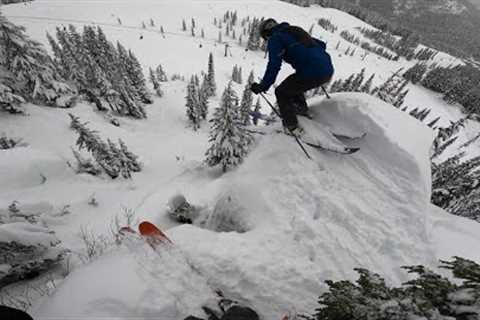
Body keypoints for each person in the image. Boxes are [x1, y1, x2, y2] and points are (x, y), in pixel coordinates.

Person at [250, 18, 334, 136]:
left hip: (313, 71)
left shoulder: (275, 38)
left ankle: (292, 127)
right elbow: (321, 44)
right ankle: (301, 112)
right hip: (327, 68)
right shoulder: (294, 30)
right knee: (294, 85)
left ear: (266, 34)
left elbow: (274, 65)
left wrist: (263, 86)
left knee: (281, 91)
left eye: (265, 38)